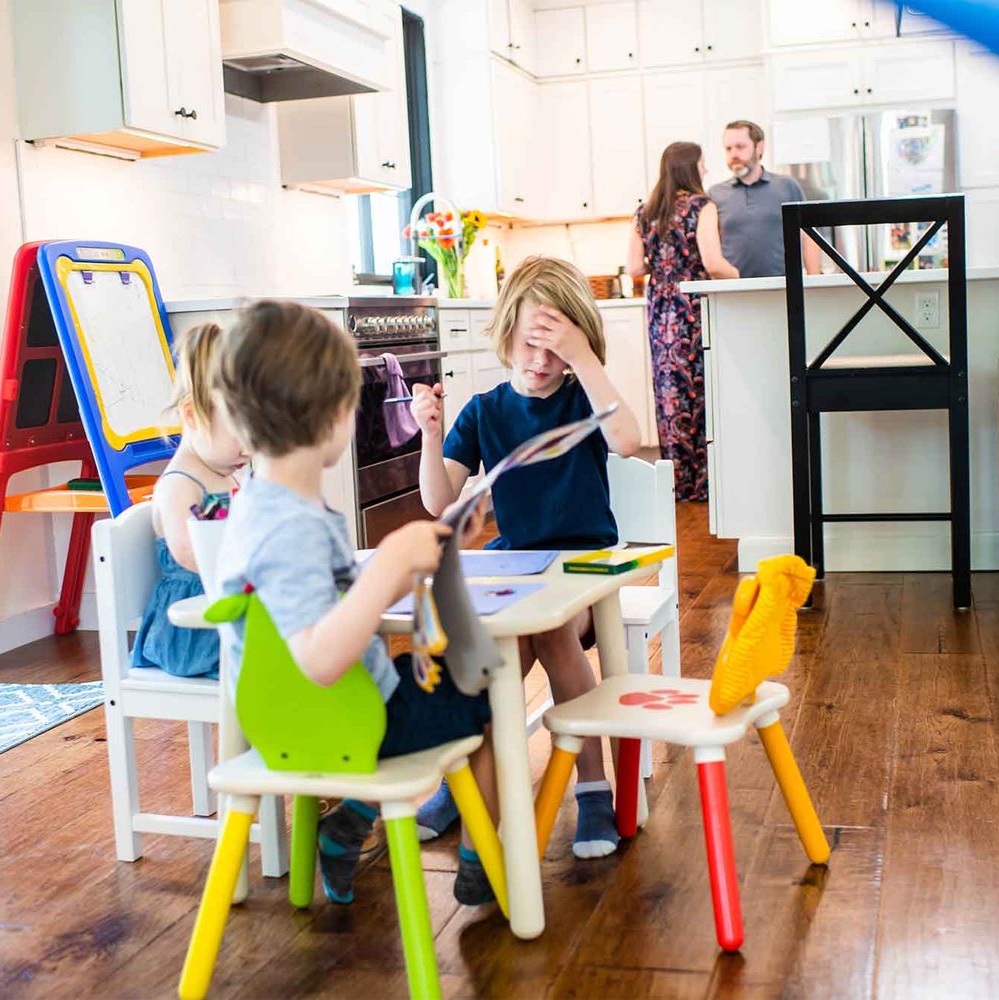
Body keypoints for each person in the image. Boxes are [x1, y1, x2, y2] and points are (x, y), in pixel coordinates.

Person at [211, 301, 498, 907]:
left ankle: (348, 823)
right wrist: (391, 565)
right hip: (337, 716)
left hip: (303, 714)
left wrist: (421, 555)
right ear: (336, 416)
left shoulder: (265, 506)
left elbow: (320, 613)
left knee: (429, 673)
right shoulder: (290, 528)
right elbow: (319, 658)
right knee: (485, 690)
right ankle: (482, 863)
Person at [409, 256, 642, 859]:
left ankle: (592, 789)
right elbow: (440, 500)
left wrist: (584, 358)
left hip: (584, 567)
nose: (542, 364)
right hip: (516, 565)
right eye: (530, 346)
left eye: (556, 351)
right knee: (479, 648)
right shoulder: (485, 410)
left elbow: (627, 440)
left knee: (555, 633)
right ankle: (464, 787)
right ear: (505, 331)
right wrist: (431, 436)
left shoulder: (581, 399)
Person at [131, 322, 245, 678]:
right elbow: (189, 553)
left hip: (227, 610)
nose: (252, 445)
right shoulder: (181, 484)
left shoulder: (231, 474)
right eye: (241, 432)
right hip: (190, 630)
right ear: (192, 414)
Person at [626, 141, 738, 502]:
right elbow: (715, 263)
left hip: (660, 312)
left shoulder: (644, 212)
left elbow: (634, 268)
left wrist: (662, 266)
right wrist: (741, 277)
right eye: (703, 164)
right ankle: (706, 483)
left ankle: (676, 482)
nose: (706, 170)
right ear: (691, 168)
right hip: (692, 308)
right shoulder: (702, 207)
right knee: (702, 391)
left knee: (669, 393)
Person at [710, 119, 822, 278]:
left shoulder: (787, 186)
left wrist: (814, 282)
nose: (733, 154)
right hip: (733, 291)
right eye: (728, 149)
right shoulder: (715, 194)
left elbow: (809, 238)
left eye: (740, 147)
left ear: (759, 147)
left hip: (783, 288)